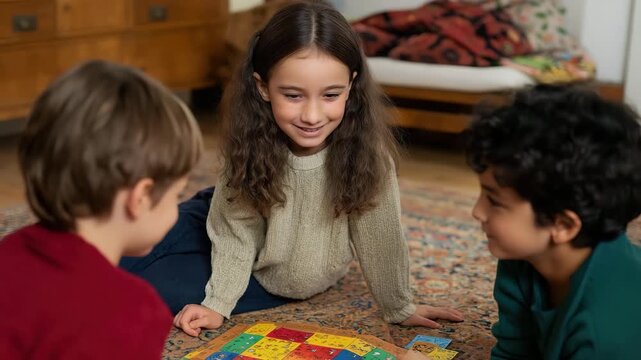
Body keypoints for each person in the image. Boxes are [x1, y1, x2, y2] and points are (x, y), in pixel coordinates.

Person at [121, 0, 464, 337]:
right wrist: (221, 296)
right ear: (262, 87)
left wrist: (399, 305)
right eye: (294, 96)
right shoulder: (249, 142)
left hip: (271, 273)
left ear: (351, 86)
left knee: (149, 290)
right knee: (124, 241)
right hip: (224, 221)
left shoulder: (368, 156)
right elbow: (235, 231)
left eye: (331, 95)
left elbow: (380, 235)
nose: (312, 116)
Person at [0, 60, 203, 359]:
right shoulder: (135, 311)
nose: (177, 207)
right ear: (142, 197)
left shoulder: (9, 250)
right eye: (177, 194)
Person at [464, 85, 641, 359]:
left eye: (495, 201)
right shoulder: (523, 256)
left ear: (564, 225)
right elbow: (512, 353)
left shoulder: (604, 333)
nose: (477, 211)